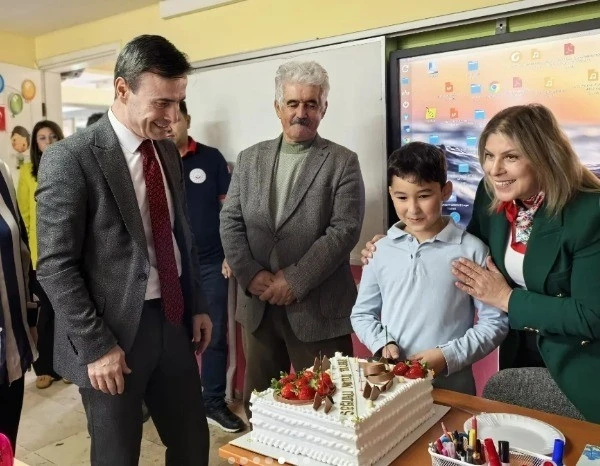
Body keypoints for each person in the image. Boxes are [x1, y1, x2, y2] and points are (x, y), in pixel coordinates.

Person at [35, 35, 213, 465]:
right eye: (161, 103)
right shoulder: (71, 158)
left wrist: (197, 305)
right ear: (122, 89)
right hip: (110, 334)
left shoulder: (165, 150)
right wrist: (96, 346)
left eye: (179, 102)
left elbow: (181, 234)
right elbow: (55, 266)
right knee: (117, 455)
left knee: (192, 445)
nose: (173, 117)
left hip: (173, 320)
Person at [362, 104, 600, 423]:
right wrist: (396, 240)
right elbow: (466, 252)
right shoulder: (492, 194)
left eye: (510, 157)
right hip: (520, 350)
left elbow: (592, 316)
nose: (494, 169)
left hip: (580, 361)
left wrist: (507, 299)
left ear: (545, 155)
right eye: (489, 155)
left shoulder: (590, 212)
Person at [220, 60, 365, 419]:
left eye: (311, 104)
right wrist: (250, 274)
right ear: (277, 107)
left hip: (318, 309)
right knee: (261, 408)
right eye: (293, 103)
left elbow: (344, 230)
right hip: (258, 307)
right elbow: (230, 220)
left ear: (323, 108)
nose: (302, 113)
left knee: (329, 408)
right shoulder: (249, 159)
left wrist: (295, 280)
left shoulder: (343, 162)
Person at [351, 142, 508, 394]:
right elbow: (362, 314)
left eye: (424, 196)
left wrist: (447, 356)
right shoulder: (380, 250)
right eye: (402, 197)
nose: (413, 209)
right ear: (391, 193)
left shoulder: (472, 250)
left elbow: (494, 323)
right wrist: (382, 343)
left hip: (452, 387)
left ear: (445, 191)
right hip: (392, 385)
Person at [167, 100, 245, 432]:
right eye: (164, 119)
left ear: (187, 120)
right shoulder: (152, 160)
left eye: (176, 118)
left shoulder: (211, 159)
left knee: (214, 334)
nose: (170, 125)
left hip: (212, 262)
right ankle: (173, 401)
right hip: (169, 266)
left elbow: (230, 213)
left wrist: (231, 252)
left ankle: (212, 401)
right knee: (169, 335)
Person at [16, 120, 65, 389]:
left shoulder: (70, 166)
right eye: (42, 138)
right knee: (45, 314)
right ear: (35, 144)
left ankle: (66, 364)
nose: (48, 142)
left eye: (53, 137)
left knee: (66, 311)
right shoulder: (27, 172)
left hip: (67, 252)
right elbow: (23, 214)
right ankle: (44, 366)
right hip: (39, 256)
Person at [0, 159, 38, 453]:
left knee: (6, 447)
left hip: (10, 345)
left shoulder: (1, 171)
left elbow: (21, 250)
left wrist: (31, 318)